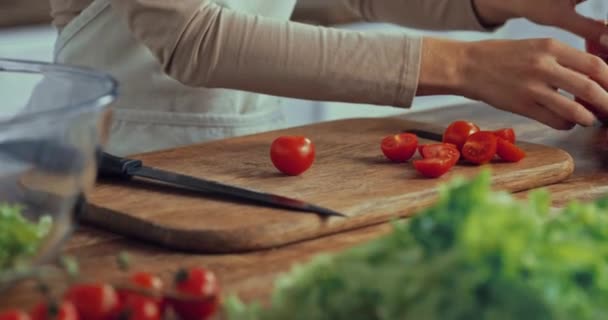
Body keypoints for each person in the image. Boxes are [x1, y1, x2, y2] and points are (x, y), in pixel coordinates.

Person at [50, 0, 608, 155]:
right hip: (102, 163)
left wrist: (482, 2)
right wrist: (463, 65)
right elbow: (190, 39)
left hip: (240, 161)